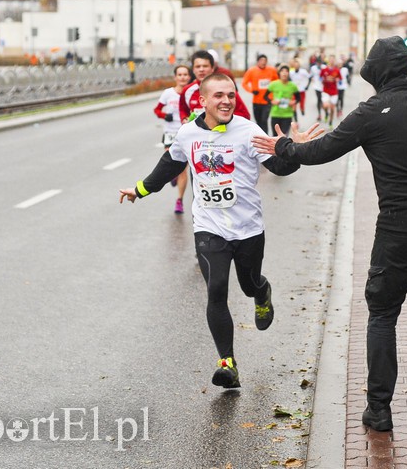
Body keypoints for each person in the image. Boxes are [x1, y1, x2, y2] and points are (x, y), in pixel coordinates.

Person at [252, 36, 407, 431]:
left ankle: (379, 409)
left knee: (383, 314)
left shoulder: (371, 113)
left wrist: (285, 146)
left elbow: (321, 151)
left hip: (397, 228)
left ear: (378, 74)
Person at [119, 74, 316, 388]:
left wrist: (298, 151)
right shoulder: (186, 134)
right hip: (209, 227)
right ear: (202, 100)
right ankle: (227, 362)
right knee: (217, 289)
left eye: (231, 95)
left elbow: (279, 166)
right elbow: (169, 164)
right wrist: (140, 190)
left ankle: (262, 292)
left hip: (248, 227)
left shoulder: (248, 130)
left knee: (249, 285)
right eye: (219, 95)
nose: (226, 101)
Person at [153, 64, 192, 213]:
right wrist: (164, 116)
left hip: (186, 133)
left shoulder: (192, 93)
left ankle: (179, 201)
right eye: (179, 75)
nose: (182, 77)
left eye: (185, 74)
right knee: (171, 162)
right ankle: (172, 175)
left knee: (182, 169)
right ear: (175, 77)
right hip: (170, 133)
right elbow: (157, 109)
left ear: (189, 77)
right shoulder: (168, 93)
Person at [180, 50, 250, 125]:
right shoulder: (187, 90)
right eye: (198, 67)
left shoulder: (225, 89)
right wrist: (184, 119)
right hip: (197, 134)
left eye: (205, 66)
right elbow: (183, 110)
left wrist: (223, 119)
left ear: (212, 68)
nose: (201, 70)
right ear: (193, 69)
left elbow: (245, 115)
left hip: (222, 134)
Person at [242, 54, 279, 133]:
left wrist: (274, 93)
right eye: (261, 61)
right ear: (257, 62)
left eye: (265, 61)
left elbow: (277, 82)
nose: (263, 62)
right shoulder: (251, 71)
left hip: (267, 100)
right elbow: (244, 83)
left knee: (264, 120)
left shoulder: (271, 70)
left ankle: (265, 138)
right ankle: (260, 137)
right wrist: (252, 90)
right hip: (256, 101)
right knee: (258, 121)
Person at [265, 64, 299, 137]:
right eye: (282, 71)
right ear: (279, 73)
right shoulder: (273, 84)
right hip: (275, 114)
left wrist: (293, 102)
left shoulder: (292, 86)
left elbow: (298, 98)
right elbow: (265, 96)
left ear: (288, 73)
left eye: (286, 71)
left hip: (287, 115)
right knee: (275, 136)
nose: (284, 73)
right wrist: (272, 102)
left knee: (283, 136)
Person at [319, 55, 341, 127]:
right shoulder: (324, 69)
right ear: (328, 60)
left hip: (334, 92)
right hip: (326, 90)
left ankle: (330, 122)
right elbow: (320, 78)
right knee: (325, 105)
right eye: (330, 59)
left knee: (332, 108)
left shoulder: (337, 70)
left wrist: (335, 79)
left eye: (333, 60)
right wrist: (325, 80)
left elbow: (340, 79)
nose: (331, 61)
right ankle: (326, 113)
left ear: (334, 61)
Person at [309, 58, 325, 122]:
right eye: (318, 63)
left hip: (324, 86)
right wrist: (307, 86)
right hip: (316, 86)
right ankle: (319, 114)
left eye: (320, 63)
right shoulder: (313, 68)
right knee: (319, 99)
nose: (319, 64)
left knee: (323, 100)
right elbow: (311, 76)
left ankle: (326, 112)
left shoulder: (324, 67)